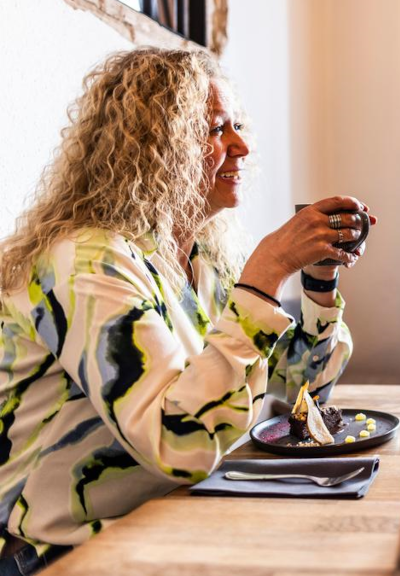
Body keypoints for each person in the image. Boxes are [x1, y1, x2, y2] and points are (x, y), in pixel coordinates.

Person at [0, 48, 374, 574]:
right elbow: (180, 443)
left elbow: (297, 393)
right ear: (155, 146)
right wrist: (267, 273)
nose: (242, 146)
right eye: (217, 129)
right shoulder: (86, 263)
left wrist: (317, 277)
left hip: (170, 520)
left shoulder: (200, 258)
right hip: (69, 554)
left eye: (237, 126)